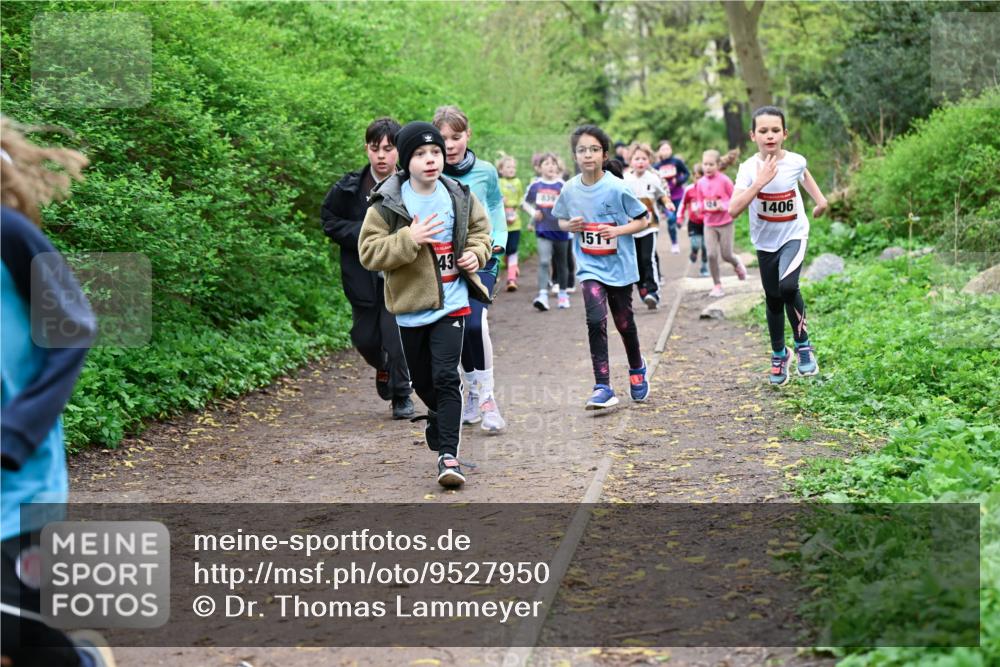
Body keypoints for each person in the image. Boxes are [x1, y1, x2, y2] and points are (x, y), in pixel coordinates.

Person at [1, 118, 110, 667]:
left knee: (13, 632)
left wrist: (15, 432)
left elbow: (73, 327)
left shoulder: (10, 235)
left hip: (17, 483)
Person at [358, 122, 493, 487]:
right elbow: (368, 253)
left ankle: (448, 458)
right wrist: (409, 238)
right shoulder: (388, 203)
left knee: (447, 376)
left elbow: (483, 233)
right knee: (423, 381)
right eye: (420, 154)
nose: (431, 160)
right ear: (406, 159)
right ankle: (437, 413)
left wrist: (476, 255)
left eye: (435, 152)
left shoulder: (458, 194)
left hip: (453, 303)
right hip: (411, 308)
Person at [552, 125, 651, 410]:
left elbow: (643, 220)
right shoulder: (570, 189)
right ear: (575, 155)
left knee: (623, 323)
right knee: (596, 320)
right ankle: (603, 386)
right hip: (589, 265)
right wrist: (568, 225)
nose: (588, 155)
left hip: (619, 266)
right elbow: (559, 219)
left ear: (604, 154)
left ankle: (636, 367)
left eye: (594, 149)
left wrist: (618, 231)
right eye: (582, 150)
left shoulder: (618, 187)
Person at [321, 117, 414, 420]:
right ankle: (383, 367)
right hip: (360, 276)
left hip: (397, 276)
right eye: (376, 149)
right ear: (367, 150)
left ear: (398, 150)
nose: (382, 155)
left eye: (388, 148)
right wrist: (364, 233)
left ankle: (402, 395)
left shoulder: (410, 186)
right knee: (365, 339)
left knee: (395, 335)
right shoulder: (348, 187)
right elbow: (329, 222)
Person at [729, 106, 828, 386]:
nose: (769, 135)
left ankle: (803, 345)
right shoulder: (748, 169)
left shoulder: (795, 160)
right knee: (773, 298)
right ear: (753, 135)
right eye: (763, 131)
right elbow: (733, 209)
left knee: (787, 287)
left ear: (784, 133)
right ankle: (778, 353)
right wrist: (759, 183)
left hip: (794, 235)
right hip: (765, 241)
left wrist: (821, 201)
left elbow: (804, 175)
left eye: (775, 130)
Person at [432, 106, 508, 433]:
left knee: (476, 324)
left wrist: (498, 240)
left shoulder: (487, 171)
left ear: (468, 135)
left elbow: (495, 205)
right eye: (444, 138)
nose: (450, 145)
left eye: (456, 136)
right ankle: (473, 396)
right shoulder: (430, 172)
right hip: (447, 264)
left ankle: (488, 399)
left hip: (483, 258)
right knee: (459, 328)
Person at [624, 143, 671, 310]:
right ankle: (642, 289)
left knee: (647, 258)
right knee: (635, 261)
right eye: (637, 158)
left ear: (649, 160)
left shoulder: (653, 178)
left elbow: (662, 195)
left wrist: (668, 203)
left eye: (644, 158)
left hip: (650, 225)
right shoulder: (625, 179)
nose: (640, 162)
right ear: (630, 161)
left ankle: (653, 292)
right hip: (631, 227)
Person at [522, 153, 570, 311]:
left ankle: (563, 294)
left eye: (553, 163)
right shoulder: (536, 185)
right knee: (543, 261)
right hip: (543, 228)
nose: (550, 166)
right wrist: (533, 213)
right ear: (539, 167)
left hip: (560, 230)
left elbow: (572, 204)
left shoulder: (563, 185)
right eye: (546, 163)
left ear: (557, 167)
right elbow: (525, 203)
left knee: (561, 263)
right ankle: (542, 295)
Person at [697, 149, 747, 298]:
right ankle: (717, 285)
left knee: (726, 255)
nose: (707, 167)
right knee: (711, 254)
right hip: (709, 224)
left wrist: (723, 206)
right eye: (705, 164)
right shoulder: (700, 183)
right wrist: (701, 208)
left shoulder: (725, 180)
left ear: (718, 165)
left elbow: (735, 198)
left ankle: (736, 263)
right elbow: (699, 200)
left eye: (711, 164)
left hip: (725, 223)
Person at [653, 140, 688, 254]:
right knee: (671, 219)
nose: (665, 151)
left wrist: (679, 180)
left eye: (667, 148)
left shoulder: (677, 162)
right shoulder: (656, 166)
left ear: (671, 150)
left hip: (678, 194)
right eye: (663, 149)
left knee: (677, 217)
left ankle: (679, 221)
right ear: (659, 151)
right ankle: (674, 243)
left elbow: (687, 173)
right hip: (665, 197)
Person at [496, 154, 523, 292]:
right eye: (508, 167)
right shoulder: (498, 182)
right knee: (502, 249)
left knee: (512, 249)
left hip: (515, 223)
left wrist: (512, 204)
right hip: (501, 223)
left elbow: (520, 199)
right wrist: (501, 202)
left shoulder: (518, 182)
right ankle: (511, 268)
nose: (511, 169)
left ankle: (511, 278)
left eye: (513, 167)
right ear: (501, 170)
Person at [678, 163, 708, 277]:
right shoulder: (689, 190)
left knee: (706, 247)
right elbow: (683, 204)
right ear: (693, 177)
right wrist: (680, 218)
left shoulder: (710, 189)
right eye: (697, 178)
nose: (699, 180)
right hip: (694, 222)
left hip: (707, 223)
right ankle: (694, 251)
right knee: (696, 244)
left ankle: (704, 267)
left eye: (702, 178)